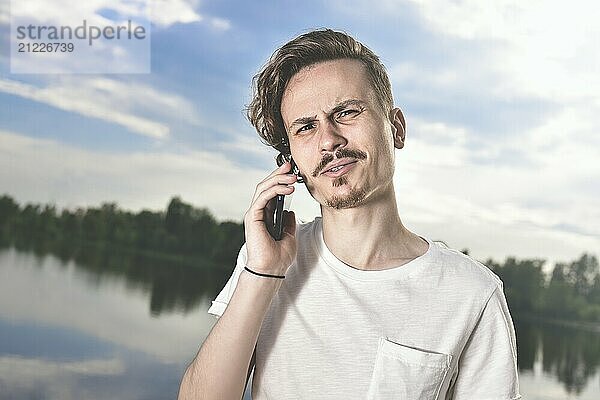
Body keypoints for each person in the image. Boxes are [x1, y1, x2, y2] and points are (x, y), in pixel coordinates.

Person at [178, 29, 521, 400]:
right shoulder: (264, 264)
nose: (329, 140)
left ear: (397, 129)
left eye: (346, 112)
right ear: (290, 161)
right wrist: (263, 274)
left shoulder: (471, 293)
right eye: (306, 127)